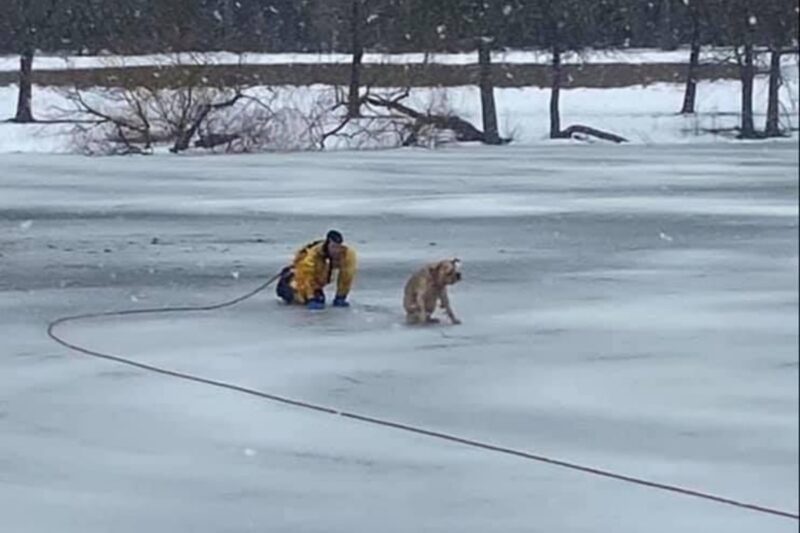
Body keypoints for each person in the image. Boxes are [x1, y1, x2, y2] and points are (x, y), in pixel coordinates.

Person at [276, 230, 357, 310]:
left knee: (320, 299)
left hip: (316, 283)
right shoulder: (313, 255)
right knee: (301, 298)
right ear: (328, 244)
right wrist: (311, 297)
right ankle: (287, 286)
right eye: (333, 247)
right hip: (299, 279)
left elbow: (347, 275)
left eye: (338, 247)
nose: (336, 251)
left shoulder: (346, 254)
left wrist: (341, 296)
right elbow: (305, 277)